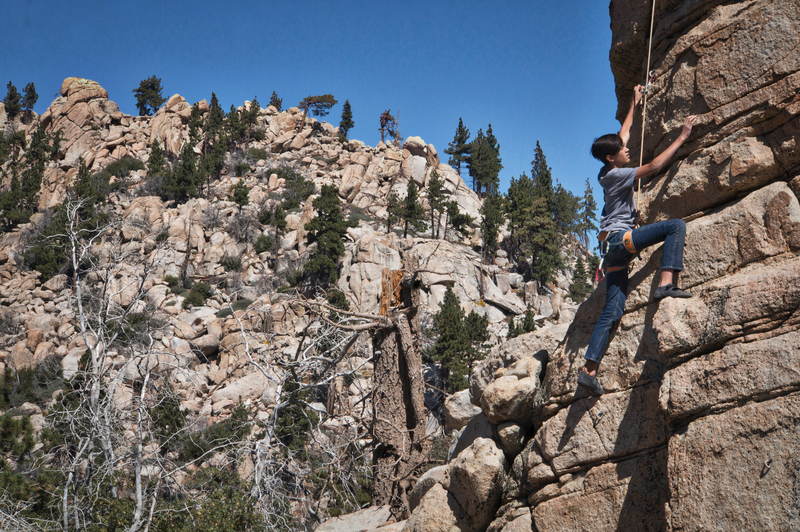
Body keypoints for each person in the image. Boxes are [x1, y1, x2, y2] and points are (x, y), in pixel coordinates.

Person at [577, 85, 698, 396]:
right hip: (620, 240)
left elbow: (625, 132)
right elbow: (655, 167)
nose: (626, 149)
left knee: (613, 310)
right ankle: (665, 285)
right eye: (621, 149)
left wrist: (635, 101)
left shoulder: (609, 167)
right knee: (675, 227)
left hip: (610, 251)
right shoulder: (617, 175)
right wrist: (683, 136)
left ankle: (589, 368)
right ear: (611, 157)